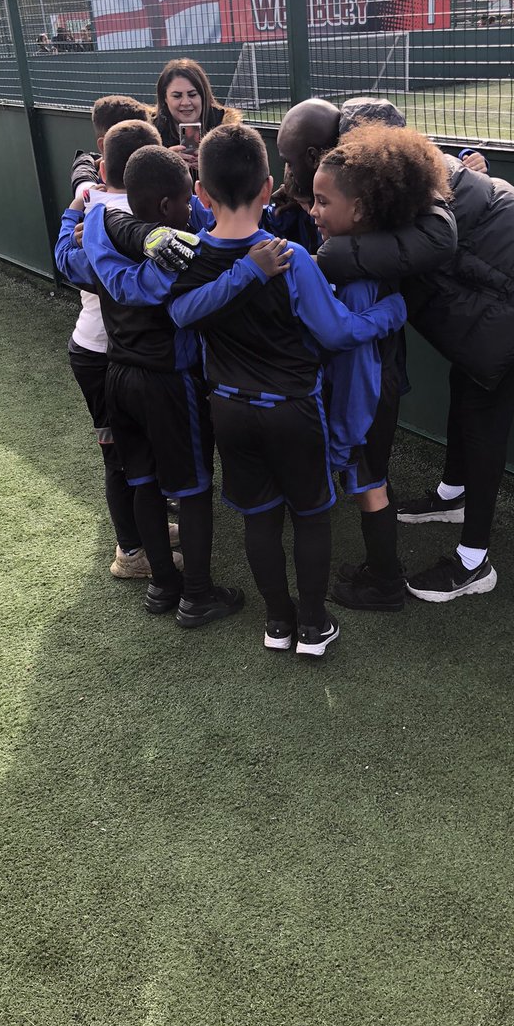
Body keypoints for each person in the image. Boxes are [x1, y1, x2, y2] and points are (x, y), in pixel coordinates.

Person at [309, 104, 514, 604]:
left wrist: (331, 257)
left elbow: (438, 238)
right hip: (508, 270)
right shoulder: (402, 171)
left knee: (484, 415)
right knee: (465, 386)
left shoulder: (414, 182)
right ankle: (452, 495)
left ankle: (475, 561)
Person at [161, 125, 408, 655]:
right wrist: (387, 313)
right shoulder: (290, 257)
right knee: (312, 515)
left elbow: (179, 313)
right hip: (293, 411)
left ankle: (277, 623)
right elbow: (338, 333)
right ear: (268, 185)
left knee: (260, 518)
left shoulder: (192, 256)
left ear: (201, 193)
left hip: (227, 409)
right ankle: (314, 626)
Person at [56, 142, 289, 630]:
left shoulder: (101, 242)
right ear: (166, 208)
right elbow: (208, 265)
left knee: (142, 481)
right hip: (170, 382)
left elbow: (68, 257)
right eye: (186, 201)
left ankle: (163, 585)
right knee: (194, 489)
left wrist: (87, 215)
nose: (193, 210)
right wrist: (252, 265)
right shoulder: (182, 255)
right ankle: (198, 596)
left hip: (116, 375)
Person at [308, 122, 453, 613]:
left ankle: (386, 584)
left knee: (369, 488)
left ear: (362, 210)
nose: (313, 211)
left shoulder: (356, 275)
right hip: (377, 392)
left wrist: (344, 433)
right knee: (374, 482)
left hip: (366, 400)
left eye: (324, 202)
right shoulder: (374, 255)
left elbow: (356, 368)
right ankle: (378, 567)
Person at [64, 97, 160, 580]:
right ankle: (131, 553)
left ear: (104, 166)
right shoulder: (159, 217)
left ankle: (145, 530)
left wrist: (72, 212)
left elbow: (71, 265)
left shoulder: (93, 214)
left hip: (100, 351)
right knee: (125, 458)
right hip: (110, 355)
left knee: (128, 455)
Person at [151, 58, 241, 172]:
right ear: (165, 98)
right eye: (177, 96)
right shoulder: (152, 134)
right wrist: (165, 162)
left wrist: (215, 165)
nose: (186, 102)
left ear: (203, 96)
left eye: (192, 95)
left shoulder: (227, 130)